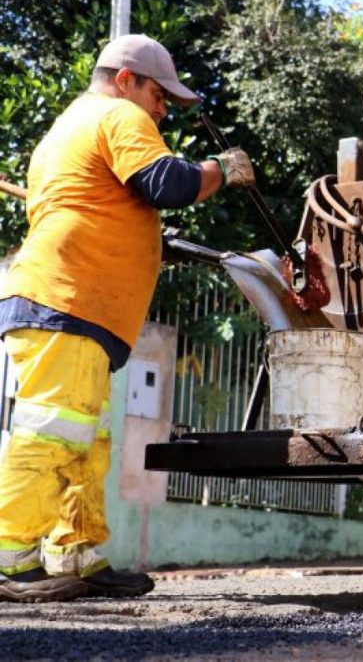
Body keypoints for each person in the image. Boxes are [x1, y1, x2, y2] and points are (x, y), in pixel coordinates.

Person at [0, 34, 255, 602]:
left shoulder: (66, 129)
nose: (162, 110)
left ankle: (76, 555)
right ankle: (9, 559)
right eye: (159, 96)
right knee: (48, 434)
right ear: (125, 80)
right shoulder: (116, 115)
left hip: (74, 304)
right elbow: (169, 182)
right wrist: (220, 169)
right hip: (64, 299)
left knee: (84, 440)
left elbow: (98, 204)